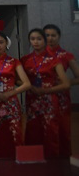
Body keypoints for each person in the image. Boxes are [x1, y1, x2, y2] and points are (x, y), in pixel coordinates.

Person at [21, 28, 70, 158]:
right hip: (32, 99)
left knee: (50, 130)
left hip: (49, 99)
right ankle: (33, 160)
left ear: (44, 40)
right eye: (32, 39)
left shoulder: (54, 60)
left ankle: (52, 163)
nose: (35, 42)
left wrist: (45, 90)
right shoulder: (25, 59)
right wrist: (30, 86)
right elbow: (17, 79)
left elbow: (66, 84)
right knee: (33, 130)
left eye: (39, 39)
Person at [0, 31, 31, 158]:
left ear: (6, 43)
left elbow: (27, 84)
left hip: (11, 104)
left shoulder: (14, 61)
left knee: (15, 133)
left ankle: (17, 162)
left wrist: (10, 93)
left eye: (1, 42)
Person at [43, 23, 79, 157]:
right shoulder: (38, 55)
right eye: (47, 35)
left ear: (59, 36)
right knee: (44, 130)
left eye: (53, 35)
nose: (50, 38)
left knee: (63, 130)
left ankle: (63, 162)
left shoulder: (66, 55)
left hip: (61, 97)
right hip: (42, 97)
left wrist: (65, 82)